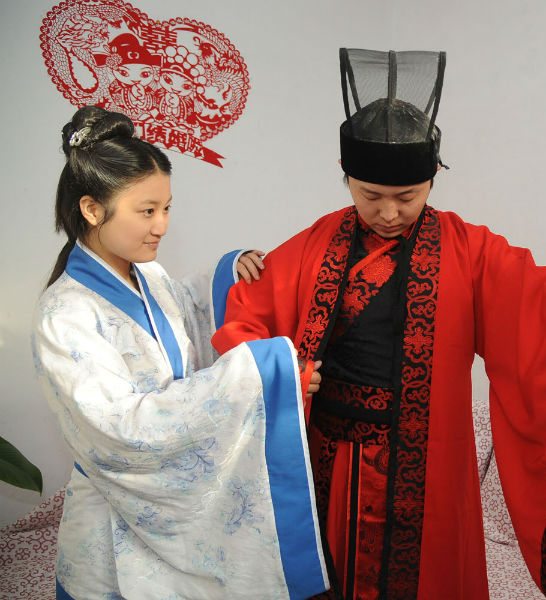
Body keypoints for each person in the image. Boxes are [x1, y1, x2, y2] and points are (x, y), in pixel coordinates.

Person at [211, 48, 546, 600]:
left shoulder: (469, 250)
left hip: (425, 470)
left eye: (407, 197)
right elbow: (247, 313)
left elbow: (541, 305)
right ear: (346, 179)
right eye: (371, 196)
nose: (389, 212)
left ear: (433, 178)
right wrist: (271, 342)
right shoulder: (313, 245)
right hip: (329, 469)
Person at [32, 105, 329, 599]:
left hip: (168, 507)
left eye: (167, 208)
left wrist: (228, 277)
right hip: (116, 513)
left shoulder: (146, 274)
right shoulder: (64, 316)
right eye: (146, 211)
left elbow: (183, 320)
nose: (162, 225)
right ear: (91, 209)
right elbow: (122, 431)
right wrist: (262, 377)